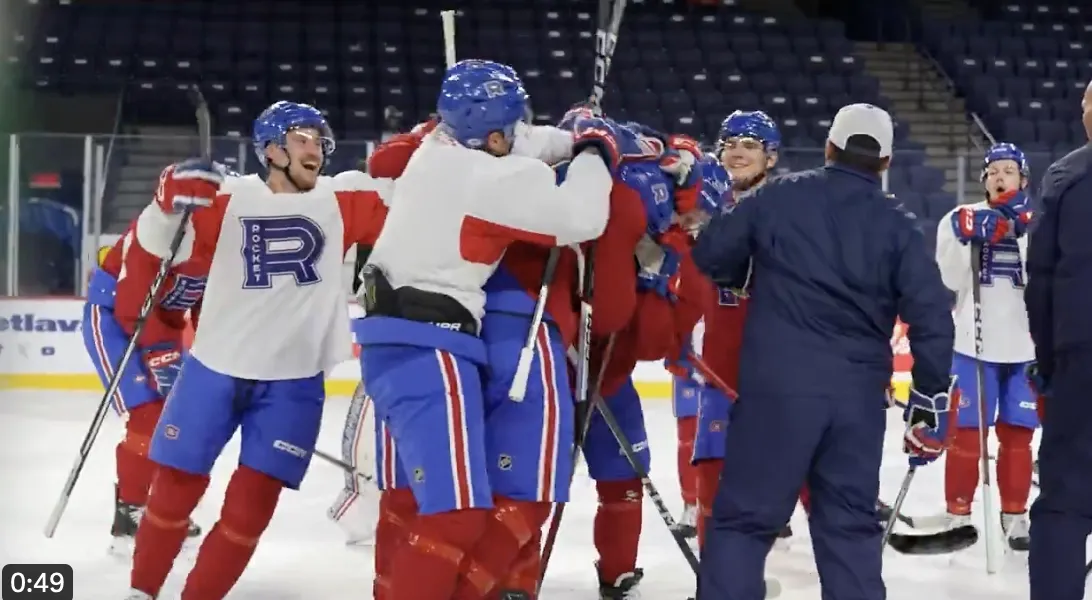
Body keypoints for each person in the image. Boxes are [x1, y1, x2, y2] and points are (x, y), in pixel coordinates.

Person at [352, 59, 635, 600]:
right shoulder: (488, 180)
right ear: (497, 133)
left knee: (439, 506)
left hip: (401, 339)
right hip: (429, 345)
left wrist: (570, 132)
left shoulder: (437, 150)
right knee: (457, 514)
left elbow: (524, 147)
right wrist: (596, 148)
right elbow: (581, 217)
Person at [124, 100, 394, 600]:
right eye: (301, 138)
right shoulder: (227, 196)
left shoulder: (345, 197)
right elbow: (159, 248)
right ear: (270, 149)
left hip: (294, 383)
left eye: (319, 139)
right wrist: (163, 205)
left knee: (250, 513)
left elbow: (425, 193)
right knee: (173, 493)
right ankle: (140, 591)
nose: (315, 147)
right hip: (215, 370)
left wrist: (425, 142)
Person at [690, 103, 956, 600]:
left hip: (777, 394)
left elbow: (710, 251)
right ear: (885, 162)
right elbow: (933, 315)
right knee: (850, 530)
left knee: (745, 524)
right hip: (857, 403)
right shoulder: (898, 224)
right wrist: (929, 397)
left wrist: (747, 274)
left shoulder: (780, 197)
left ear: (829, 147)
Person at [580, 129, 717, 598]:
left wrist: (665, 261)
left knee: (625, 474)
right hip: (553, 369)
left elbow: (654, 338)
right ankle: (510, 575)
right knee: (530, 485)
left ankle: (617, 570)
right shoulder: (586, 204)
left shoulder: (669, 244)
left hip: (606, 373)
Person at [933, 142, 1037, 549]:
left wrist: (1025, 233)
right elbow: (952, 281)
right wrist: (965, 239)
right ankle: (956, 512)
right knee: (965, 436)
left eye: (1009, 170)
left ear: (1023, 180)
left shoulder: (1040, 221)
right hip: (972, 348)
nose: (1000, 176)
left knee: (1018, 437)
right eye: (993, 170)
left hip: (1025, 349)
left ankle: (1015, 515)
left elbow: (1044, 280)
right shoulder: (962, 218)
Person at [83, 217, 207, 556]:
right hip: (114, 320)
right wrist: (158, 353)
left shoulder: (221, 239)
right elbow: (130, 302)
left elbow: (206, 306)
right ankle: (131, 511)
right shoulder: (160, 225)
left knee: (174, 419)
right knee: (148, 415)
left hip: (161, 328)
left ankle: (160, 505)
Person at [1025, 80, 1092, 600]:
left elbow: (1041, 280)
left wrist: (1047, 362)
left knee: (1066, 502)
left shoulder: (1068, 176)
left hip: (1080, 360)